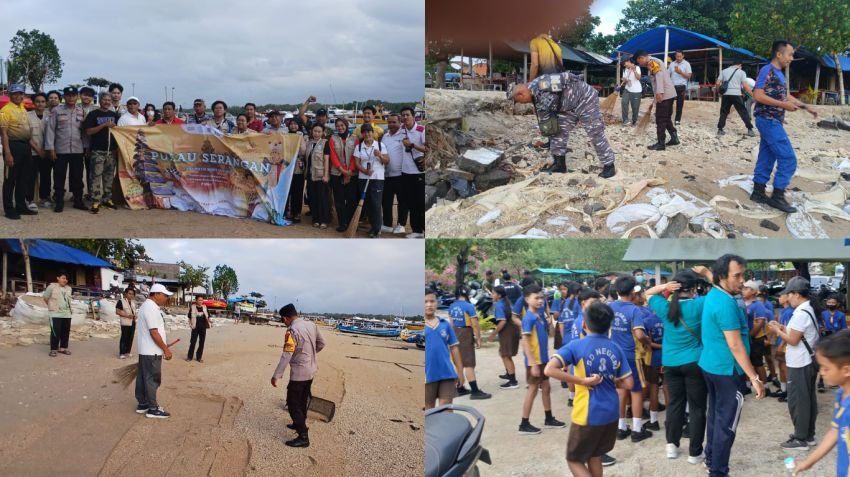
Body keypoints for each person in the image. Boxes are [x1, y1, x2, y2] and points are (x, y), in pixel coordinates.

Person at [545, 301, 633, 477]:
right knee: (595, 455)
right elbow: (628, 384)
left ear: (584, 324)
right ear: (609, 326)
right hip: (611, 412)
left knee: (574, 459)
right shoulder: (616, 348)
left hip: (587, 414)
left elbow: (549, 369)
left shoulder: (576, 345)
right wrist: (608, 379)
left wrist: (582, 381)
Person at [700, 254, 766, 477]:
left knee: (715, 417)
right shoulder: (726, 303)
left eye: (743, 275)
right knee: (726, 425)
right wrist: (755, 378)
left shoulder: (716, 294)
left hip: (711, 366)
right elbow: (736, 345)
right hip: (728, 371)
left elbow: (714, 278)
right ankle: (718, 471)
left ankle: (711, 458)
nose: (742, 281)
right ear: (722, 277)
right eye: (737, 276)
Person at [646, 269, 709, 464]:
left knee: (675, 404)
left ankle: (671, 446)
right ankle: (695, 453)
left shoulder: (665, 307)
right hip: (694, 362)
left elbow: (647, 294)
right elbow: (719, 293)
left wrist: (665, 287)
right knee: (697, 407)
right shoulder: (700, 303)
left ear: (675, 288)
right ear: (693, 289)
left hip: (670, 363)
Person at [509, 72, 617, 178]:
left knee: (594, 131)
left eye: (518, 101)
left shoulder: (542, 84)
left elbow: (565, 76)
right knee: (557, 131)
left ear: (521, 94)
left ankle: (609, 165)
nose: (521, 103)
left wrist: (576, 76)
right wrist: (548, 129)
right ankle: (559, 164)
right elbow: (546, 116)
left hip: (584, 99)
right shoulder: (534, 97)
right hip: (566, 107)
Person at [751, 40, 807, 214]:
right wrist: (784, 106)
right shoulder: (767, 70)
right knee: (788, 159)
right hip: (768, 120)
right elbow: (757, 95)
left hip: (771, 120)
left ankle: (758, 192)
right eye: (790, 54)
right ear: (779, 54)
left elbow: (785, 95)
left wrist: (806, 107)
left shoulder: (778, 74)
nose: (791, 58)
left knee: (767, 156)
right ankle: (777, 196)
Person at [768, 276, 820, 450]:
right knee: (807, 399)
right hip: (806, 361)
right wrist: (782, 328)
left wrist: (776, 330)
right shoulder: (806, 310)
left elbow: (793, 340)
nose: (787, 298)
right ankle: (808, 434)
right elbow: (797, 334)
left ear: (796, 294)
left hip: (800, 363)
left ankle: (800, 438)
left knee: (798, 401)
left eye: (788, 294)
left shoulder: (800, 313)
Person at [790, 329, 850, 476]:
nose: (821, 372)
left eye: (826, 368)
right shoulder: (841, 394)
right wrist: (808, 462)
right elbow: (835, 431)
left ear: (846, 370)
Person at [271, 303, 325, 448]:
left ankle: (303, 436)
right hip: (311, 369)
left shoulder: (292, 330)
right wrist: (310, 355)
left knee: (293, 402)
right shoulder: (311, 324)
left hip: (300, 372)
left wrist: (277, 375)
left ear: (285, 318)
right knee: (302, 399)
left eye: (283, 320)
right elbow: (321, 343)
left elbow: (287, 354)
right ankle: (298, 423)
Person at [608, 275, 653, 442]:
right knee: (636, 391)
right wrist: (647, 341)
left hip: (614, 355)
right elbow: (640, 334)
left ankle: (620, 427)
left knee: (621, 391)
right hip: (631, 356)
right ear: (633, 292)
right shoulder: (634, 310)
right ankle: (636, 429)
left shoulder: (610, 306)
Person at [519, 283, 566, 434]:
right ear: (527, 299)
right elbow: (525, 340)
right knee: (532, 390)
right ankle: (524, 423)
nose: (540, 301)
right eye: (536, 298)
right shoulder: (528, 319)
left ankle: (549, 417)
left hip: (543, 359)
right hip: (535, 361)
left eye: (541, 298)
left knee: (546, 387)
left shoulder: (538, 315)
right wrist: (532, 363)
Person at [135, 284, 174, 419]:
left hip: (146, 350)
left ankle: (143, 404)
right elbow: (153, 331)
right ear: (156, 294)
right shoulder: (151, 308)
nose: (166, 298)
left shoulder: (145, 306)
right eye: (165, 295)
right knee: (152, 379)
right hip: (152, 352)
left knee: (143, 378)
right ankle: (153, 408)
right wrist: (165, 348)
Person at [44, 86, 86, 212]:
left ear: (77, 97)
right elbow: (50, 130)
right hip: (60, 150)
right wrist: (50, 148)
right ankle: (59, 201)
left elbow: (84, 132)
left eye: (73, 95)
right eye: (68, 95)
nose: (71, 98)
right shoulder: (56, 110)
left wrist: (86, 147)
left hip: (77, 150)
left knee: (77, 176)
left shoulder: (81, 111)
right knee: (59, 176)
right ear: (64, 97)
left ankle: (78, 200)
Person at [448, 287, 491, 399]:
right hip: (465, 333)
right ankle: (475, 391)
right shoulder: (468, 306)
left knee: (459, 362)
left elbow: (451, 323)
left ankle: (459, 388)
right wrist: (478, 339)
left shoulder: (452, 306)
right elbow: (475, 324)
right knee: (469, 364)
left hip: (455, 333)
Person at [1, 83, 36, 220]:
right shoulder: (5, 110)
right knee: (10, 180)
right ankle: (9, 209)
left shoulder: (22, 108)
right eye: (15, 93)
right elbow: (3, 134)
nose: (18, 96)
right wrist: (8, 153)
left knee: (23, 179)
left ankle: (21, 206)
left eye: (21, 93)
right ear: (10, 95)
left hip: (25, 146)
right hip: (13, 146)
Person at [424, 289, 463, 409]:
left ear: (437, 303)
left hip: (446, 373)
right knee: (429, 410)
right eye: (425, 301)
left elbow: (454, 348)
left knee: (446, 409)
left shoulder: (444, 324)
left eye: (432, 301)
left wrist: (460, 372)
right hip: (427, 376)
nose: (429, 305)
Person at [634, 50, 680, 150]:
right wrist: (655, 98)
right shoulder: (653, 62)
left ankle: (661, 143)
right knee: (666, 117)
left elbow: (659, 77)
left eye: (639, 62)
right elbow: (656, 80)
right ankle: (674, 137)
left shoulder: (652, 62)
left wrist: (659, 93)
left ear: (641, 58)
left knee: (660, 119)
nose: (640, 64)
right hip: (669, 93)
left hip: (664, 94)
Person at [83, 92, 120, 213]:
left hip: (110, 151)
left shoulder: (114, 115)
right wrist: (104, 125)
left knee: (109, 176)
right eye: (104, 100)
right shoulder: (93, 114)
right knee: (95, 176)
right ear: (100, 101)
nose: (107, 102)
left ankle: (107, 198)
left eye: (109, 100)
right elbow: (88, 131)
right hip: (97, 151)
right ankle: (95, 200)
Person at [353, 123, 389, 238]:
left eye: (369, 132)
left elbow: (387, 161)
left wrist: (380, 156)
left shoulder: (380, 145)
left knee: (376, 204)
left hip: (377, 179)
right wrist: (364, 171)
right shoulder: (359, 147)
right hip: (363, 179)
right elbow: (357, 163)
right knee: (368, 204)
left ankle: (377, 229)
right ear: (362, 134)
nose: (367, 134)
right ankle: (373, 227)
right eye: (364, 132)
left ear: (373, 133)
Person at [325, 116, 357, 232]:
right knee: (339, 200)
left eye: (342, 125)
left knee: (351, 200)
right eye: (338, 126)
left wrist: (349, 172)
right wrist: (343, 171)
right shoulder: (332, 139)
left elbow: (355, 156)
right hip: (337, 174)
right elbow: (333, 157)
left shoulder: (354, 138)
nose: (340, 128)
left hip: (351, 174)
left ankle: (350, 222)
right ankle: (342, 223)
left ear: (346, 125)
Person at [400, 106, 427, 239]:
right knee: (411, 203)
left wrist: (412, 145)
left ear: (413, 116)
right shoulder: (401, 130)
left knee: (421, 203)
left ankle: (425, 229)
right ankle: (417, 231)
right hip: (405, 172)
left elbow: (428, 149)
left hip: (419, 173)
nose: (405, 117)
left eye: (407, 115)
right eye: (403, 115)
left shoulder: (421, 130)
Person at [380, 113, 408, 235]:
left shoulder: (404, 135)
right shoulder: (385, 136)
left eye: (394, 122)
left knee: (402, 202)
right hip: (386, 175)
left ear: (400, 122)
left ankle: (401, 224)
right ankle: (387, 224)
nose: (391, 124)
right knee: (386, 201)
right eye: (389, 122)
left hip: (401, 175)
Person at [742, 280, 771, 389]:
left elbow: (760, 322)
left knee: (758, 363)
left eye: (746, 288)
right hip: (745, 337)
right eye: (743, 288)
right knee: (746, 361)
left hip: (755, 339)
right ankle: (747, 385)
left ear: (753, 291)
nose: (743, 290)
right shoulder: (742, 302)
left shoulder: (758, 305)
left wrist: (750, 335)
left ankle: (765, 386)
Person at [716, 62, 755, 137]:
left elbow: (717, 83)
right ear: (739, 65)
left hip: (726, 95)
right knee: (743, 112)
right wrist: (752, 95)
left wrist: (719, 92)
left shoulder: (724, 71)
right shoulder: (741, 72)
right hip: (737, 94)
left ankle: (720, 129)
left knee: (724, 112)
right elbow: (745, 86)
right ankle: (750, 130)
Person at [303, 123, 330, 228]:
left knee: (322, 198)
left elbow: (326, 160)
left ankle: (324, 220)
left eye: (319, 131)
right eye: (315, 131)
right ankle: (316, 219)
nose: (316, 133)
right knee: (313, 197)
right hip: (310, 175)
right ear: (312, 132)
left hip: (320, 175)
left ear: (322, 133)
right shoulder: (309, 143)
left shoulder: (324, 143)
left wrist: (326, 175)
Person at [493, 285, 520, 389]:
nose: (492, 295)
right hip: (513, 330)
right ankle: (509, 373)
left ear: (499, 295)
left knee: (506, 355)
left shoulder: (499, 305)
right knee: (502, 353)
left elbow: (502, 322)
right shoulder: (507, 301)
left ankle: (513, 381)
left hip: (507, 332)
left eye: (493, 293)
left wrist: (493, 334)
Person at [26, 92, 49, 210]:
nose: (40, 104)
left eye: (43, 101)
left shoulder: (49, 115)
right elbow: (26, 136)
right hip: (32, 152)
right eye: (37, 101)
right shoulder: (27, 116)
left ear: (46, 103)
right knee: (31, 176)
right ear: (33, 103)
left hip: (46, 152)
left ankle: (44, 198)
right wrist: (38, 150)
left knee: (46, 176)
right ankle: (29, 199)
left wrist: (46, 150)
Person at [43, 271, 73, 357]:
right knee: (55, 332)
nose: (65, 280)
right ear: (58, 278)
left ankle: (63, 348)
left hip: (67, 314)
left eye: (66, 279)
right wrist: (52, 306)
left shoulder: (69, 288)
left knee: (65, 332)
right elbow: (45, 298)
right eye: (63, 278)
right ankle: (53, 349)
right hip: (55, 314)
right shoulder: (51, 287)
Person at [774, 291, 794, 401]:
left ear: (787, 298)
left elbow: (788, 331)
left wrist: (781, 344)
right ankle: (783, 389)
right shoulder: (784, 311)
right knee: (781, 367)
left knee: (785, 368)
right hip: (781, 341)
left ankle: (789, 393)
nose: (779, 298)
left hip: (785, 343)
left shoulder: (790, 312)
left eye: (781, 296)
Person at [668, 51, 692, 125]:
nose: (678, 58)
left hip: (681, 86)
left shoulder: (686, 64)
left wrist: (680, 72)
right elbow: (668, 75)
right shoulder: (672, 64)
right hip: (672, 86)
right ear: (675, 56)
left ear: (683, 56)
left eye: (680, 56)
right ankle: (668, 118)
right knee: (669, 103)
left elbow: (689, 76)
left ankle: (677, 120)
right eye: (677, 56)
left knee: (680, 103)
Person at [187, 296, 212, 363]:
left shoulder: (205, 307)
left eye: (201, 300)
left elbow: (208, 316)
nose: (200, 301)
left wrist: (210, 321)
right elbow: (189, 317)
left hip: (203, 327)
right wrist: (190, 325)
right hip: (195, 327)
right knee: (193, 342)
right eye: (199, 300)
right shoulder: (192, 307)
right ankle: (189, 357)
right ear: (196, 300)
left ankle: (199, 357)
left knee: (202, 342)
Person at [116, 287, 138, 359]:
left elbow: (134, 312)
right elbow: (118, 311)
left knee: (130, 337)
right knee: (124, 337)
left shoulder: (133, 303)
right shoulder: (121, 301)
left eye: (132, 294)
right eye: (129, 293)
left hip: (132, 322)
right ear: (126, 293)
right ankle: (122, 353)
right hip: (125, 322)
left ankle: (127, 352)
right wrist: (128, 316)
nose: (131, 295)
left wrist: (135, 316)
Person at [621, 59, 642, 126]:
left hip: (636, 90)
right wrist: (625, 81)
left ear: (629, 62)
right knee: (624, 102)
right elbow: (625, 82)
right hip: (627, 89)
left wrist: (634, 70)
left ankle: (634, 121)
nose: (624, 65)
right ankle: (625, 120)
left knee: (635, 107)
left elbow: (638, 78)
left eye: (625, 63)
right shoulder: (625, 70)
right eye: (624, 64)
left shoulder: (637, 67)